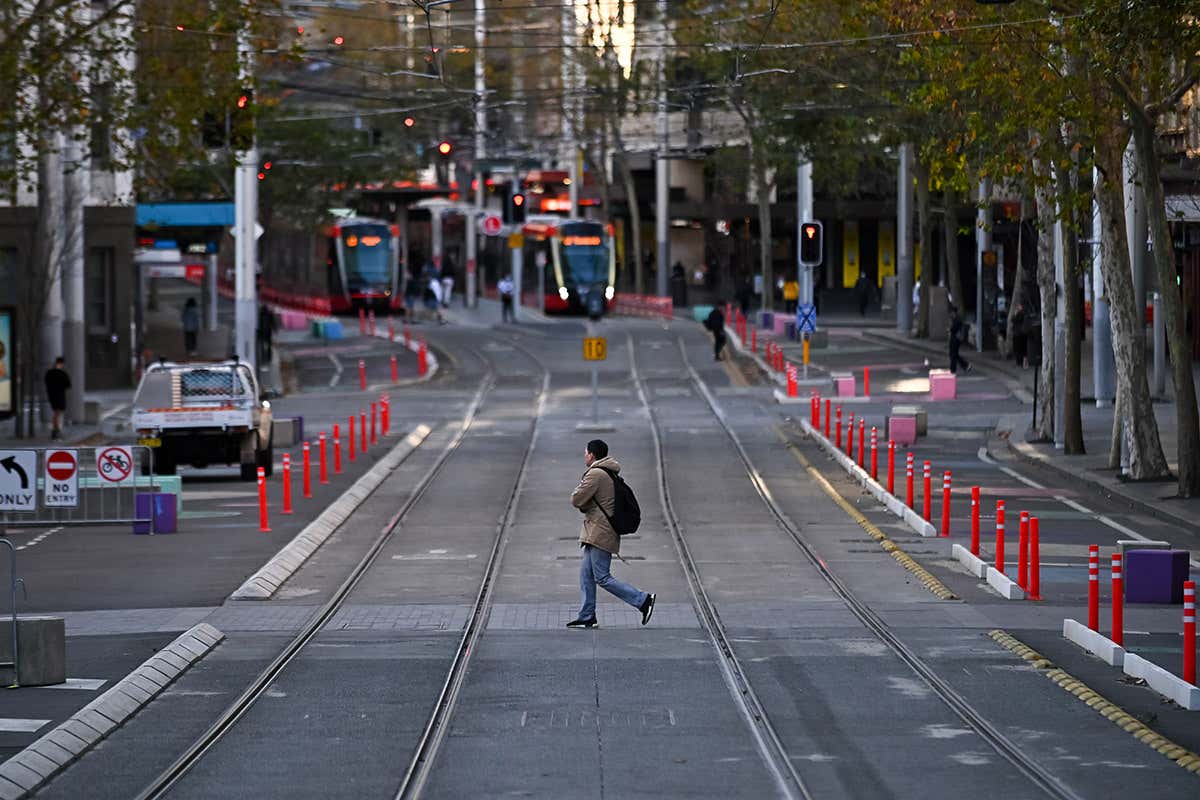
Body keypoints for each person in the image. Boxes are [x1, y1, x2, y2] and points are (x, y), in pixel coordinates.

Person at [567, 440, 655, 629]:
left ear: (591, 455)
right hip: (596, 531)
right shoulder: (607, 472)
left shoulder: (596, 474)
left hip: (600, 531)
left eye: (585, 453)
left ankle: (643, 600)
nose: (584, 456)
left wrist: (582, 499)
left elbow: (576, 499)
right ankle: (587, 616)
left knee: (602, 577)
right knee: (586, 575)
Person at [44, 357, 70, 440]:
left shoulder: (49, 372)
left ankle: (56, 430)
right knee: (57, 413)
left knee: (56, 413)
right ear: (61, 364)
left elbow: (46, 382)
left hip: (52, 395)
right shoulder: (62, 373)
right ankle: (56, 430)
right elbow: (68, 384)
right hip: (60, 395)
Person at [949, 306, 973, 374]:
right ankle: (966, 365)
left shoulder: (957, 320)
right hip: (955, 339)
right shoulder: (955, 319)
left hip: (956, 339)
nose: (950, 314)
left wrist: (950, 329)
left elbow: (954, 329)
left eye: (951, 312)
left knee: (953, 354)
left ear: (954, 312)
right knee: (955, 355)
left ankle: (953, 369)